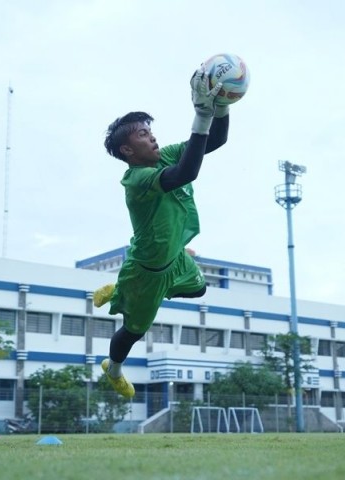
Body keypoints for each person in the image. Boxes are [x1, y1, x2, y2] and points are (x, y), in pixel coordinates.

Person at [93, 65, 232, 397]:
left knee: (199, 291)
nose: (151, 136)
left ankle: (121, 290)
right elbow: (186, 173)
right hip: (149, 271)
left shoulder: (163, 155)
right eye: (142, 134)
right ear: (127, 151)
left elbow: (217, 139)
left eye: (149, 131)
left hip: (175, 260)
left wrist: (221, 106)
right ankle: (113, 370)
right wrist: (200, 116)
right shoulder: (136, 180)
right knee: (134, 330)